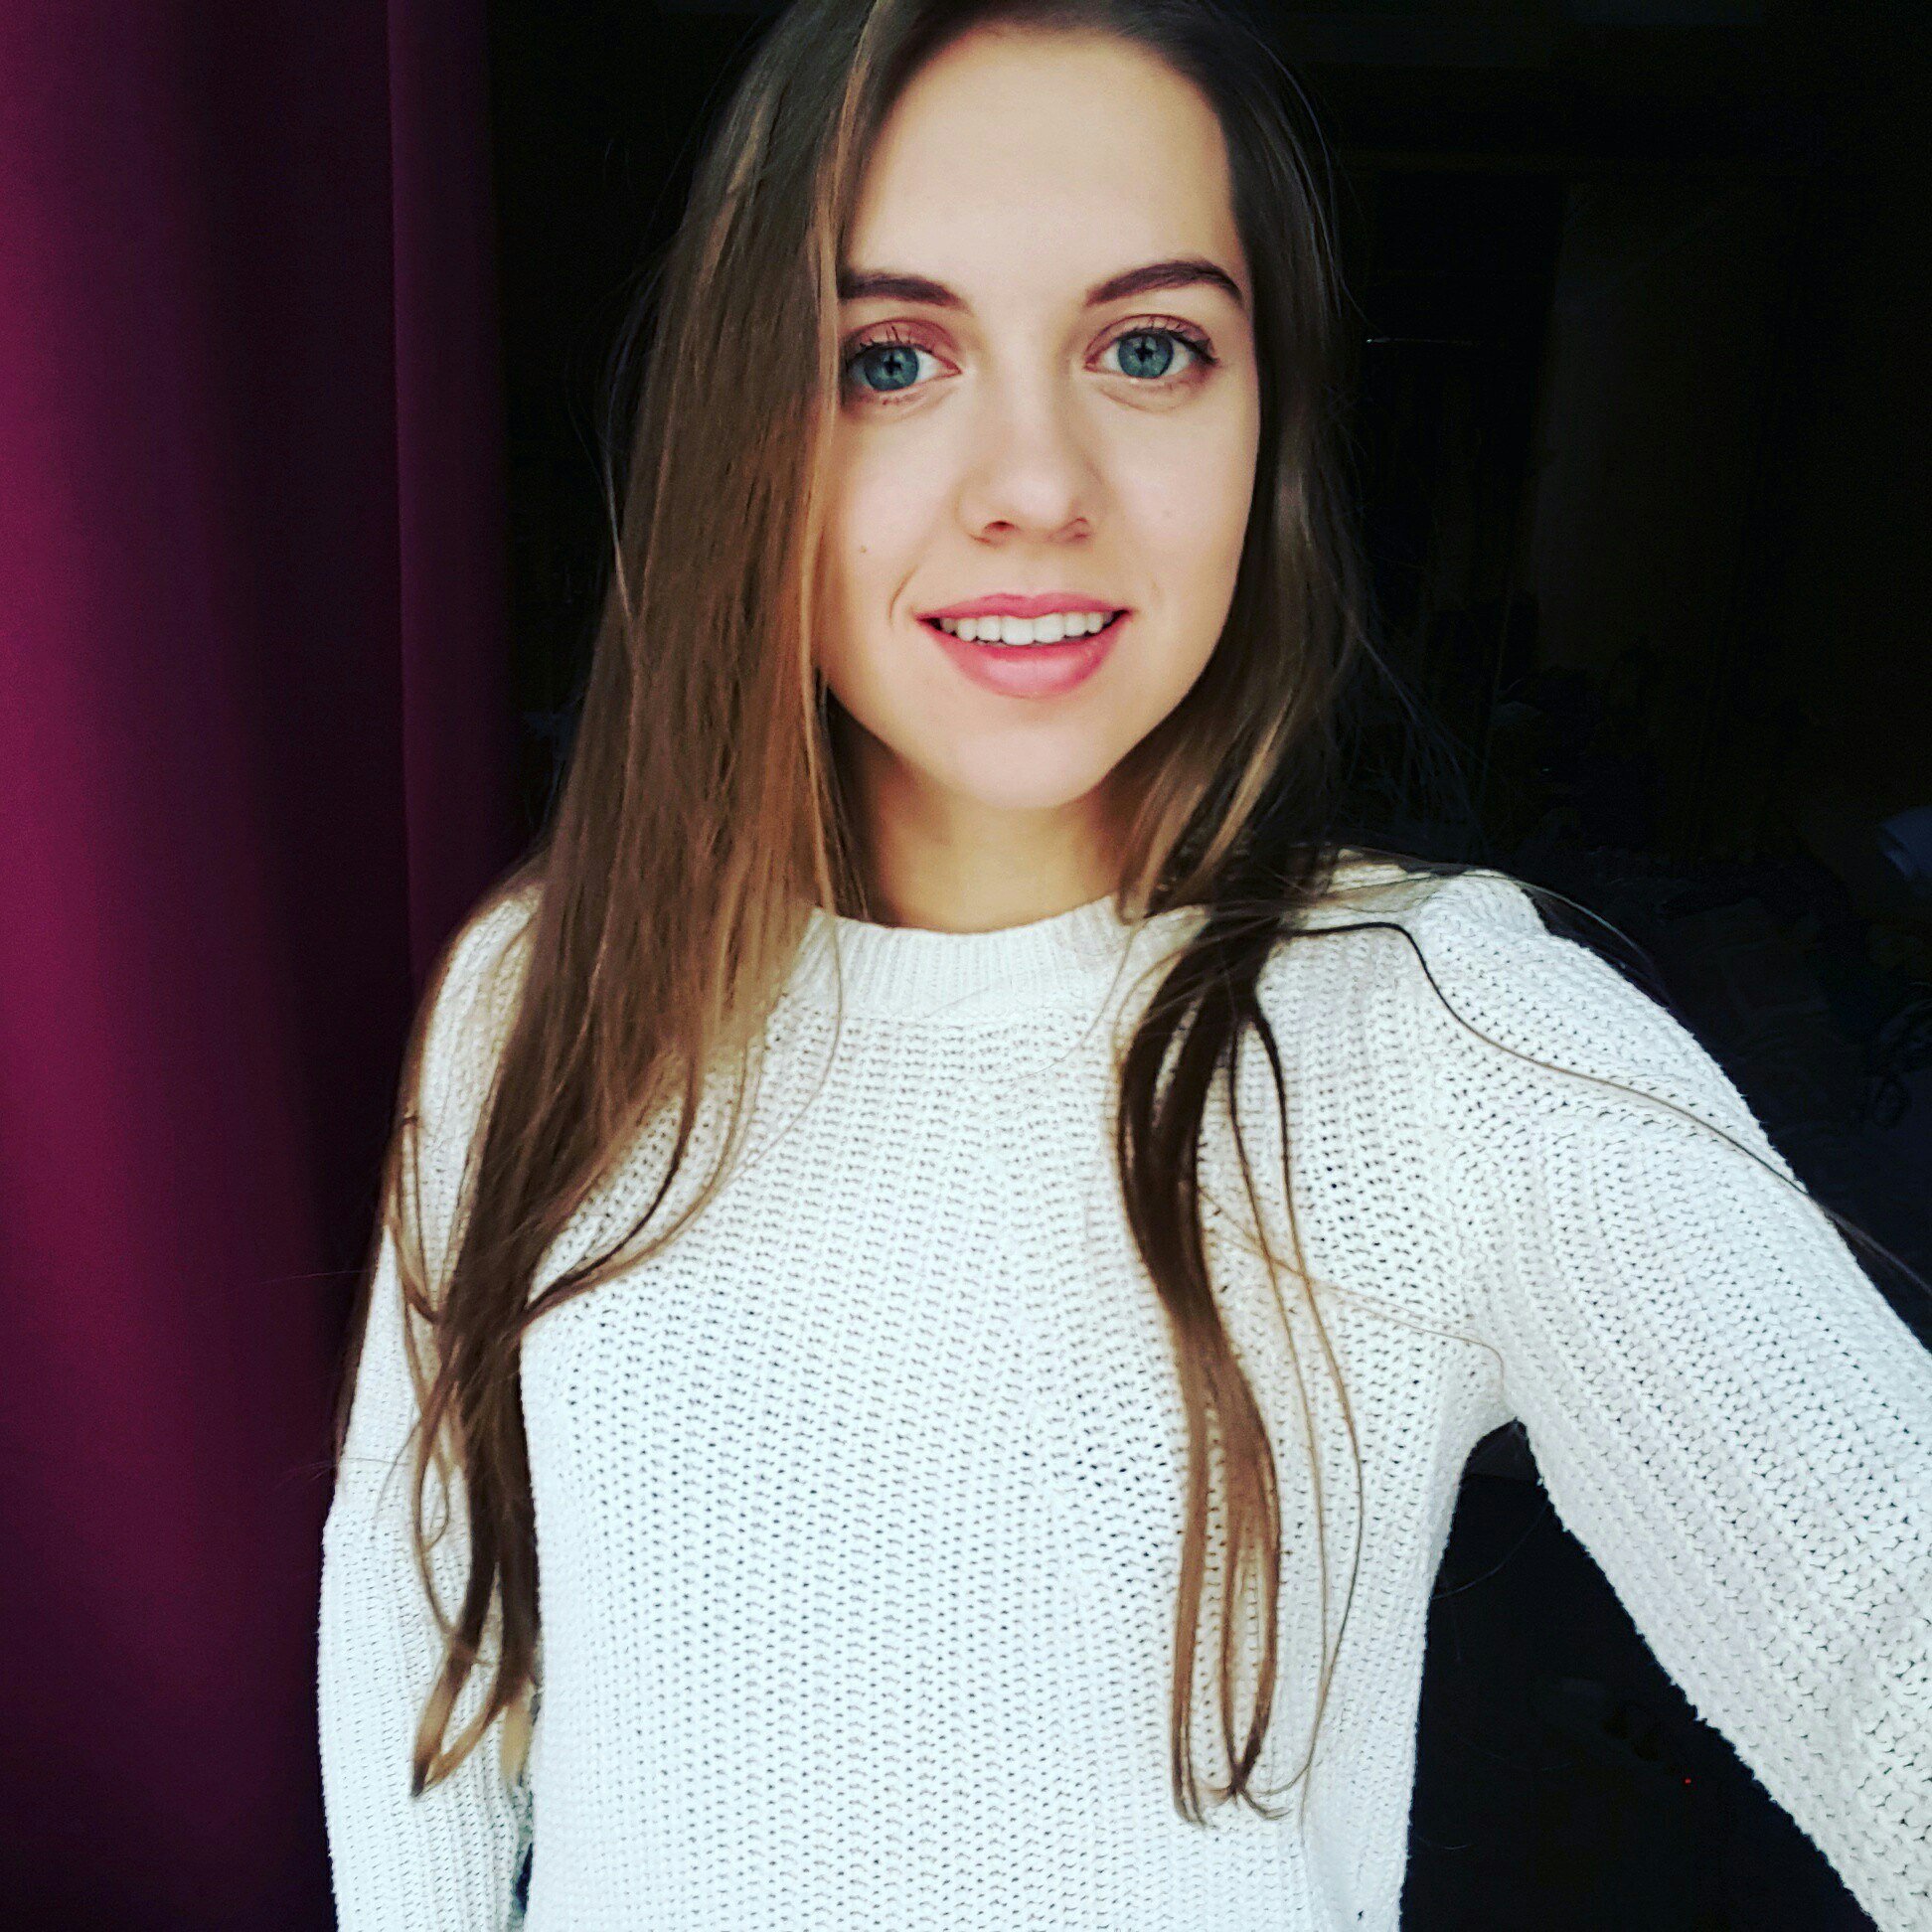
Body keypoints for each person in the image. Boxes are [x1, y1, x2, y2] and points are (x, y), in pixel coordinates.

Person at [316, 1, 1932, 1926]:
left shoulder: (1440, 1037)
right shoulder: (544, 993)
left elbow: (1881, 1624)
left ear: (1270, 426)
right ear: (740, 429)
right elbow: (418, 1625)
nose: (1035, 482)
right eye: (890, 357)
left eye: (1149, 348)